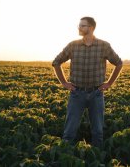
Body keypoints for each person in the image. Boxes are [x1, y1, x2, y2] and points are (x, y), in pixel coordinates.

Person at [52, 16, 123, 148]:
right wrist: (64, 83)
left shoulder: (104, 46)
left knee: (98, 132)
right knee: (69, 132)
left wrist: (109, 83)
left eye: (82, 25)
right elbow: (56, 62)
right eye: (79, 25)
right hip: (77, 93)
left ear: (91, 28)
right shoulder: (73, 45)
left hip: (96, 93)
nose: (79, 28)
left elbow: (119, 63)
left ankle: (96, 157)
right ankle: (66, 157)